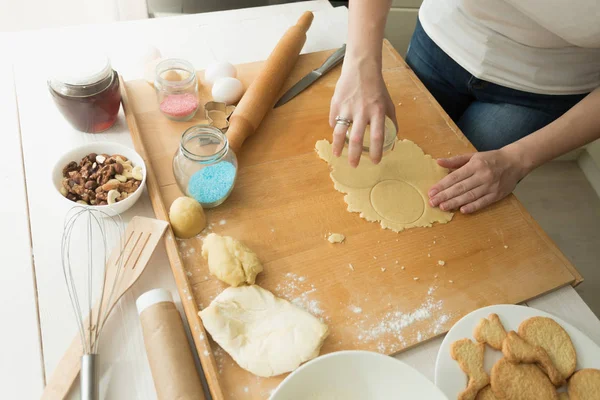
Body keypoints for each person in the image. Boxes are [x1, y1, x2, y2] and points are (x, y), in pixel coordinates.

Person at [330, 0, 600, 214]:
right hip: (443, 39)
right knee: (386, 163)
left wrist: (517, 160)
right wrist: (360, 64)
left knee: (449, 200)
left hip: (542, 90)